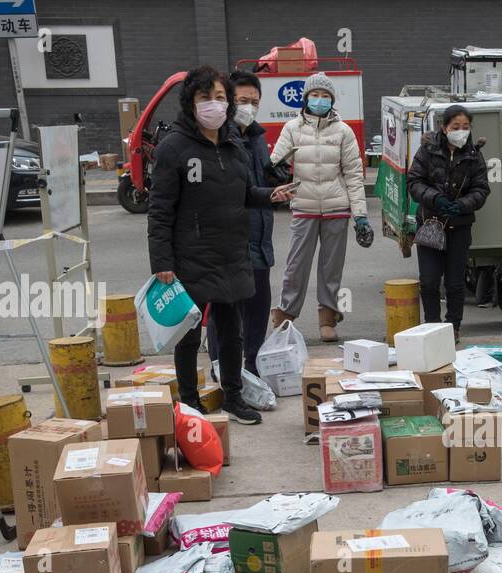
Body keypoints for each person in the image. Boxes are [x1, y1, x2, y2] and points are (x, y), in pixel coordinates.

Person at [146, 65, 292, 425]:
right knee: (189, 336)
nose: (214, 104)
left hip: (232, 253)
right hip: (191, 257)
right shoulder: (173, 148)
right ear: (190, 102)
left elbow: (242, 194)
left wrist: (267, 194)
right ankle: (190, 401)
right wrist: (161, 261)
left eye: (220, 97)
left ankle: (233, 396)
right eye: (204, 97)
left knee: (231, 332)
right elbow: (159, 210)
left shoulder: (233, 145)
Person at [269, 73, 371, 343]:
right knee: (295, 265)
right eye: (315, 95)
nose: (320, 100)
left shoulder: (343, 132)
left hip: (337, 207)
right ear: (306, 98)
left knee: (331, 267)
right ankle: (285, 315)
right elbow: (275, 162)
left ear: (332, 101)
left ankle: (328, 318)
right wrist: (276, 170)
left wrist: (361, 215)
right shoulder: (291, 128)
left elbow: (353, 174)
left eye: (325, 96)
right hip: (303, 206)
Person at [205, 69, 278, 377]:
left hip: (260, 239)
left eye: (255, 101)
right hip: (230, 242)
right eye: (243, 100)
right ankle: (220, 369)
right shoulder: (219, 140)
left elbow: (261, 179)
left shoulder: (257, 137)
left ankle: (252, 366)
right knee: (226, 311)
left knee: (258, 308)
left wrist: (278, 176)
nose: (249, 106)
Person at [407, 105, 491, 341]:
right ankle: (432, 326)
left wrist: (463, 204)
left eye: (465, 127)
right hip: (430, 224)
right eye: (456, 127)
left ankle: (453, 327)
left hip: (460, 227)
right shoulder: (428, 150)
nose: (461, 131)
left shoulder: (474, 155)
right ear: (444, 128)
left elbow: (482, 189)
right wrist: (436, 199)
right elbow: (414, 182)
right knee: (429, 281)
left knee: (455, 283)